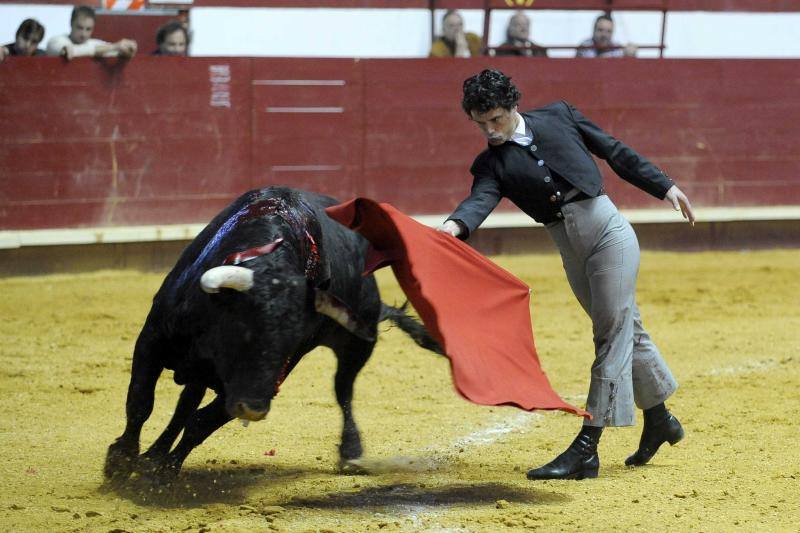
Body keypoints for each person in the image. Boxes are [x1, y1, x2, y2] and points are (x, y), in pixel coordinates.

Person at [438, 69, 693, 480]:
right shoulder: (490, 164)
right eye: (481, 124)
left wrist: (663, 185)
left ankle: (587, 447)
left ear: (513, 106)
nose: (491, 130)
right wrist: (454, 227)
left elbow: (613, 150)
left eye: (497, 119)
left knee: (610, 333)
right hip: (570, 248)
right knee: (628, 329)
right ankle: (661, 418)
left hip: (609, 232)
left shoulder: (560, 115)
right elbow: (478, 200)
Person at [46, 5, 137, 61]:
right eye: (79, 28)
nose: (83, 34)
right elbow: (72, 52)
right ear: (71, 23)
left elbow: (115, 52)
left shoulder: (95, 44)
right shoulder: (56, 41)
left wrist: (126, 50)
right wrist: (114, 47)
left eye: (88, 29)